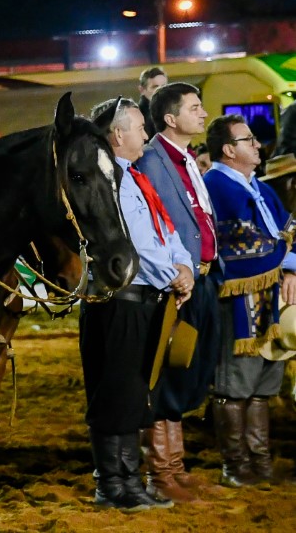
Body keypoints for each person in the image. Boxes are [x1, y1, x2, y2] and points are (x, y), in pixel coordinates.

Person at [83, 98, 195, 509]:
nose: (146, 135)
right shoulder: (109, 181)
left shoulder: (134, 179)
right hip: (120, 300)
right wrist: (173, 276)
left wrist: (184, 267)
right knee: (117, 391)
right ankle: (112, 485)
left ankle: (128, 481)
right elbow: (135, 242)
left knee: (134, 393)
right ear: (117, 134)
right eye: (138, 127)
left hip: (146, 297)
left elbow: (167, 232)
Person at [133, 81, 222, 493]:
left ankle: (176, 468)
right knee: (166, 374)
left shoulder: (184, 159)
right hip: (176, 284)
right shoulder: (153, 161)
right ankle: (162, 473)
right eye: (195, 107)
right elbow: (158, 223)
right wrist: (175, 272)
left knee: (187, 371)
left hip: (203, 278)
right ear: (171, 119)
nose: (203, 113)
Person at [202, 113, 296, 487]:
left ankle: (261, 463)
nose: (257, 144)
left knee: (262, 385)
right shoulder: (218, 186)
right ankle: (236, 466)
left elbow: (289, 231)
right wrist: (285, 257)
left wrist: (289, 268)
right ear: (229, 149)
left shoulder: (259, 187)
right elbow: (244, 246)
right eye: (248, 139)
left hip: (272, 298)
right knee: (234, 384)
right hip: (237, 302)